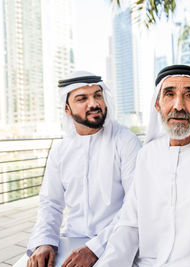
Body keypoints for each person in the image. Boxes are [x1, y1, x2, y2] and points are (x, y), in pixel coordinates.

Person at [95, 65, 190, 267]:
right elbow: (129, 225)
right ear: (157, 105)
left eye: (189, 95)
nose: (178, 105)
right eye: (169, 94)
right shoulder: (147, 155)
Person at [26, 71, 142, 267]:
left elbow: (136, 205)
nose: (94, 103)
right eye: (82, 99)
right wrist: (44, 242)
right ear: (67, 109)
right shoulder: (60, 151)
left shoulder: (126, 142)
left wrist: (95, 249)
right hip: (71, 240)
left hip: (118, 241)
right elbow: (50, 203)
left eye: (97, 95)